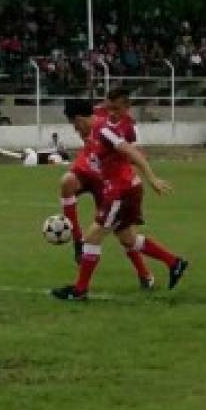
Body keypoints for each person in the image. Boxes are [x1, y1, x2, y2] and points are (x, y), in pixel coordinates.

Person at [52, 88, 189, 301]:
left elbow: (132, 152)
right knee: (128, 239)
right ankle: (174, 262)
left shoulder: (103, 130)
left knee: (91, 238)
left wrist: (152, 178)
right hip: (122, 190)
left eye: (74, 124)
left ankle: (79, 291)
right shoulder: (96, 130)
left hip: (122, 192)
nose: (75, 129)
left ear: (79, 119)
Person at [58, 98, 155, 287]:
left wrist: (138, 156)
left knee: (123, 233)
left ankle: (146, 273)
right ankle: (78, 242)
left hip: (110, 179)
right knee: (67, 182)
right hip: (90, 165)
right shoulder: (95, 115)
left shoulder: (107, 122)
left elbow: (128, 140)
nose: (75, 129)